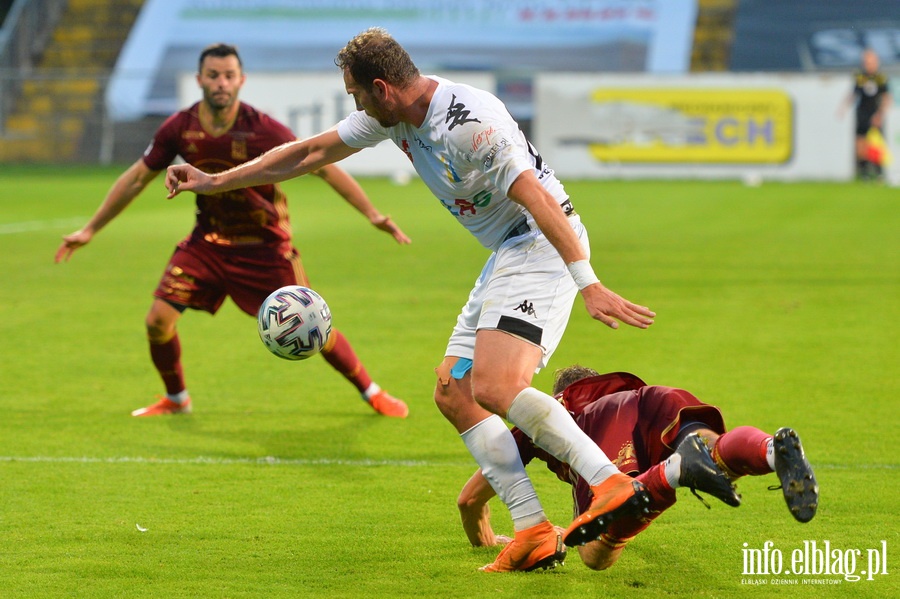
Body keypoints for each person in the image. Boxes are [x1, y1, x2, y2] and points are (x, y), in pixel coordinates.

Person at [163, 28, 657, 572]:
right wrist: (211, 183)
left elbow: (539, 199)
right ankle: (535, 530)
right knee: (454, 391)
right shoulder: (389, 115)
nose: (354, 105)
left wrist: (586, 281)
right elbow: (306, 153)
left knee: (495, 385)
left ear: (382, 87)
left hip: (541, 247)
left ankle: (610, 483)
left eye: (355, 94)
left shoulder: (472, 124)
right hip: (506, 253)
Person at [55, 43, 411, 419]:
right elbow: (137, 179)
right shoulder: (179, 128)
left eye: (228, 76)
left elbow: (321, 164)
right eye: (213, 76)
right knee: (157, 321)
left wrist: (371, 213)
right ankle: (177, 400)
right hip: (206, 245)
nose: (221, 83)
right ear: (199, 80)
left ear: (241, 80)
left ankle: (372, 391)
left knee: (313, 329)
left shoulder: (263, 128)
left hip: (265, 248)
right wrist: (90, 229)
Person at [458, 366, 819, 571]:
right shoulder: (625, 387)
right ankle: (770, 450)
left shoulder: (550, 416)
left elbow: (470, 500)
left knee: (595, 554)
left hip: (601, 428)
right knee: (715, 454)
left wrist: (489, 541)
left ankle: (671, 474)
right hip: (657, 397)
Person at [844, 49, 892, 180]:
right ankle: (863, 171)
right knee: (861, 143)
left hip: (875, 114)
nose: (868, 64)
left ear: (876, 62)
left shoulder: (881, 78)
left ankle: (878, 173)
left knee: (876, 144)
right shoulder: (860, 77)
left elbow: (886, 98)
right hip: (862, 114)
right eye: (866, 62)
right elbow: (853, 95)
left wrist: (880, 115)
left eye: (870, 61)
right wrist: (843, 108)